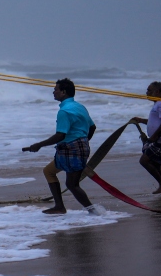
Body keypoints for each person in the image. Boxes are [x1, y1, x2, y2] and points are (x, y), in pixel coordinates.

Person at [23, 78, 102, 215]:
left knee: (72, 184)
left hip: (70, 149)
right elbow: (92, 127)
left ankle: (93, 211)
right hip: (78, 147)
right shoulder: (79, 106)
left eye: (56, 89)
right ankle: (59, 206)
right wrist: (83, 141)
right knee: (49, 171)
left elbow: (60, 135)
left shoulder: (64, 111)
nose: (53, 92)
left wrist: (39, 145)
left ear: (63, 92)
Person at [126, 81, 161, 196]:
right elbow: (156, 122)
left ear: (157, 92)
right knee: (155, 165)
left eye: (149, 90)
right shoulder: (158, 104)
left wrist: (155, 135)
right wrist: (140, 120)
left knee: (144, 161)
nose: (147, 92)